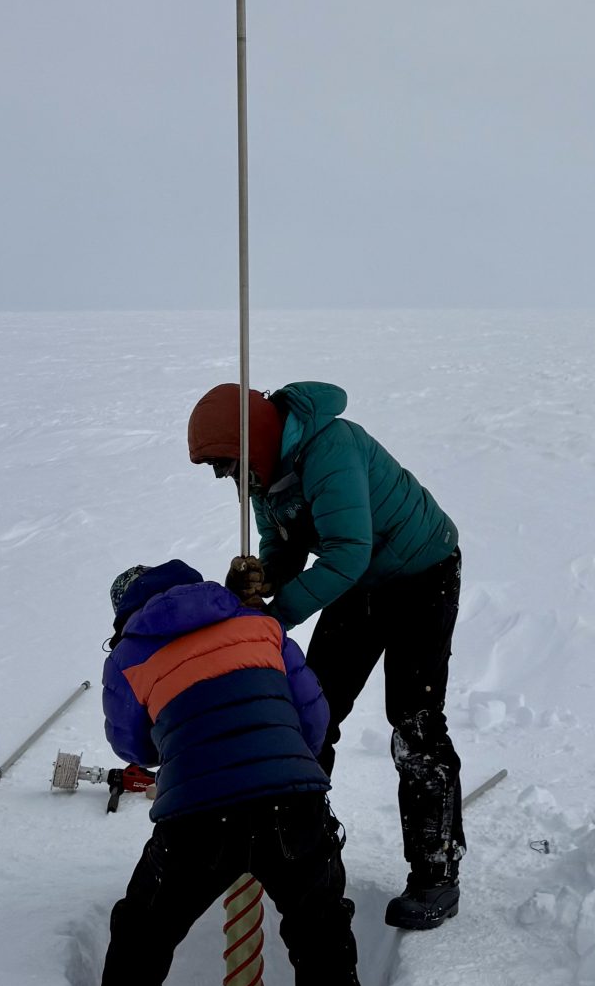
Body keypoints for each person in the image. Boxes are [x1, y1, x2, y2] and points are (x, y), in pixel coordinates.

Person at [84, 557, 368, 986]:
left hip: (197, 814)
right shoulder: (257, 624)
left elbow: (131, 745)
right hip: (293, 802)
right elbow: (312, 714)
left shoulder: (129, 654)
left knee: (140, 946)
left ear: (126, 612)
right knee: (321, 937)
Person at [187, 380, 466, 930]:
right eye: (219, 470)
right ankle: (302, 852)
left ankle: (436, 873)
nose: (227, 478)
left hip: (420, 573)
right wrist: (265, 579)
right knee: (310, 714)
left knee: (414, 724)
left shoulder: (331, 448)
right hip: (357, 582)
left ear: (255, 440)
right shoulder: (262, 474)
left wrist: (274, 616)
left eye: (227, 464)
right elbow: (285, 543)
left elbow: (347, 549)